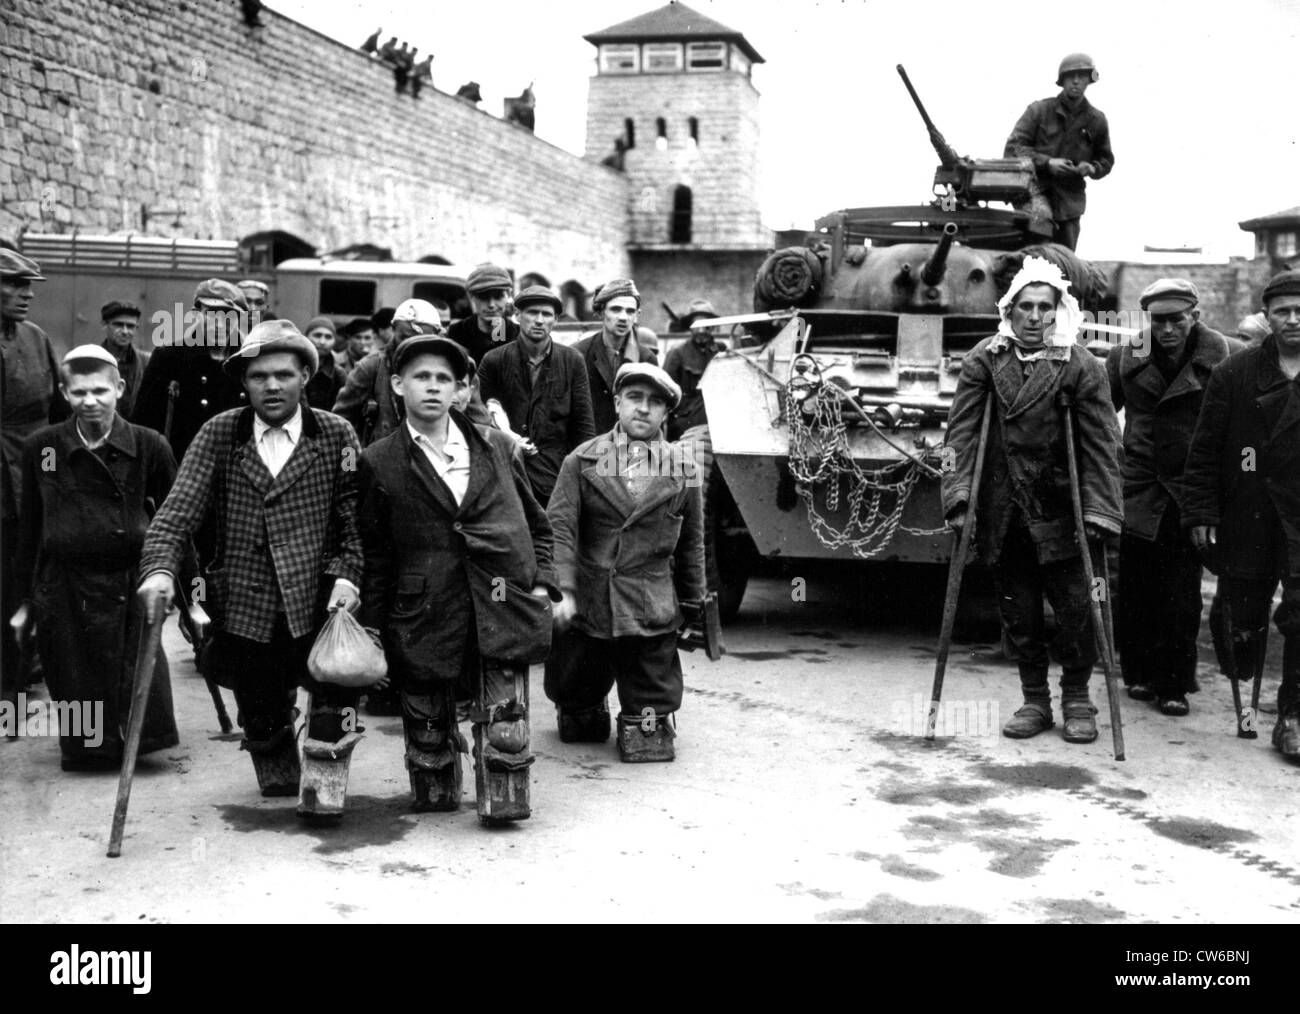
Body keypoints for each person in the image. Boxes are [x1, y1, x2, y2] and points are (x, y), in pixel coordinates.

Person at [137, 320, 366, 817]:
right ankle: (274, 745)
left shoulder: (337, 434)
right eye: (258, 376)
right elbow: (176, 513)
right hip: (247, 602)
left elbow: (354, 517)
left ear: (306, 375)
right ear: (244, 382)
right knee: (264, 725)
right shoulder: (220, 433)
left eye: (284, 374)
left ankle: (327, 774)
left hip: (320, 599)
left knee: (334, 701)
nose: (272, 386)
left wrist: (348, 574)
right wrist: (158, 570)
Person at [358, 333, 557, 821]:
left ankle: (503, 794)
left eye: (444, 379)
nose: (432, 387)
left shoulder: (496, 447)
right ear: (398, 385)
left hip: (501, 603)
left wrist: (543, 581)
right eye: (421, 377)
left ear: (461, 388)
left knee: (507, 730)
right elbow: (375, 552)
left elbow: (536, 522)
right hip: (423, 612)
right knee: (428, 734)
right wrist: (372, 626)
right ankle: (436, 780)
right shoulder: (378, 460)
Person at [942, 256, 1122, 743]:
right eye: (1026, 306)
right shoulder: (985, 357)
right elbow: (957, 435)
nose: (1036, 316)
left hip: (1063, 508)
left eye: (1046, 307)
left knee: (1078, 609)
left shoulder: (1079, 363)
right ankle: (1035, 701)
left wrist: (1102, 508)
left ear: (1058, 310)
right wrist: (958, 494)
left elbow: (1104, 443)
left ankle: (1078, 698)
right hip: (1005, 506)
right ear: (1010, 309)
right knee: (1018, 612)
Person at [13, 346, 182, 770]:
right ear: (63, 392)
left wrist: (192, 597)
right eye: (79, 392)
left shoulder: (148, 445)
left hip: (128, 580)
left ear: (120, 389)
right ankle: (90, 748)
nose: (90, 401)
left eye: (100, 391)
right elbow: (31, 528)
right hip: (65, 583)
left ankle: (134, 742)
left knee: (130, 668)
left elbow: (178, 521)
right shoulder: (44, 448)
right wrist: (22, 603)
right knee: (72, 670)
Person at [545, 363, 706, 761]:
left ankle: (644, 722)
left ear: (666, 414)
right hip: (591, 596)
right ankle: (581, 708)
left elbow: (692, 543)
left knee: (651, 681)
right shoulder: (581, 462)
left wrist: (694, 602)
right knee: (578, 677)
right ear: (617, 403)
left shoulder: (683, 469)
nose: (644, 409)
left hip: (650, 597)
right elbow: (560, 530)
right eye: (635, 398)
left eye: (655, 403)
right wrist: (561, 590)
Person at [1106, 279, 1240, 715]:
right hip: (1140, 486)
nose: (1166, 329)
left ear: (1194, 317)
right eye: (1158, 320)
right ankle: (1139, 674)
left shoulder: (1227, 357)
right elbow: (1101, 409)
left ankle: (1174, 682)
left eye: (1176, 320)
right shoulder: (1126, 355)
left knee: (1181, 589)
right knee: (1136, 584)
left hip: (1191, 487)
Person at [1184, 270, 1300, 759]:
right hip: (1246, 514)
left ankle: (1292, 715)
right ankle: (1244, 689)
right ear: (1267, 316)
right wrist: (1201, 511)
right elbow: (1206, 446)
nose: (1293, 319)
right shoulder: (1236, 372)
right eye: (1283, 311)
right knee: (1239, 625)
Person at [1, 250, 68, 706]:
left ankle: (18, 674)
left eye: (30, 286)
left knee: (25, 580)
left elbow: (60, 414)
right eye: (15, 285)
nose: (27, 295)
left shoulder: (36, 337)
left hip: (33, 477)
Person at [477, 286, 596, 505]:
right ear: (517, 316)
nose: (539, 320)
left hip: (555, 478)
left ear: (556, 320)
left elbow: (583, 427)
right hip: (505, 474)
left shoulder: (573, 361)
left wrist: (581, 480)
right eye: (532, 312)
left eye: (547, 314)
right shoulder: (494, 360)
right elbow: (478, 418)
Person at [1004, 53, 1114, 251]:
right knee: (1032, 257)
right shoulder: (1039, 111)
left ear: (1090, 80)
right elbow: (1013, 149)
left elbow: (1106, 160)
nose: (1076, 81)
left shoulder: (1096, 120)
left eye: (1082, 75)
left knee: (1064, 263)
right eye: (1071, 75)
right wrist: (1047, 163)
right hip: (1033, 195)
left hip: (1069, 204)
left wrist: (1091, 168)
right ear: (1062, 80)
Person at [133, 278, 249, 463]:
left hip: (235, 469)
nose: (219, 324)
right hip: (183, 466)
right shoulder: (170, 357)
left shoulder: (248, 361)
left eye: (229, 315)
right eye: (211, 314)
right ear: (196, 315)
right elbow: (144, 424)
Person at [575, 278, 659, 434]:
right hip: (589, 444)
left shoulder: (646, 359)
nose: (623, 317)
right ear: (601, 312)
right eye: (616, 309)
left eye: (630, 311)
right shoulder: (578, 354)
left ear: (637, 316)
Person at [663, 298, 723, 440]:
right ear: (690, 326)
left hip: (715, 423)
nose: (701, 330)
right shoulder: (677, 353)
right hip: (684, 424)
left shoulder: (721, 351)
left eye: (706, 325)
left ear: (713, 326)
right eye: (697, 325)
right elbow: (665, 391)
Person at [446, 263, 518, 365]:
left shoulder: (518, 335)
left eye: (498, 297)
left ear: (509, 295)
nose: (491, 305)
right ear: (471, 297)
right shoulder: (456, 334)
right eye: (483, 297)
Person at [100, 300, 150, 420]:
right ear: (104, 325)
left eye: (131, 326)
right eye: (118, 325)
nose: (125, 331)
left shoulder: (147, 362)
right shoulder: (91, 360)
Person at [302, 316, 344, 412]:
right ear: (306, 337)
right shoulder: (295, 368)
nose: (322, 342)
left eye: (328, 337)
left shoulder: (338, 374)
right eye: (317, 335)